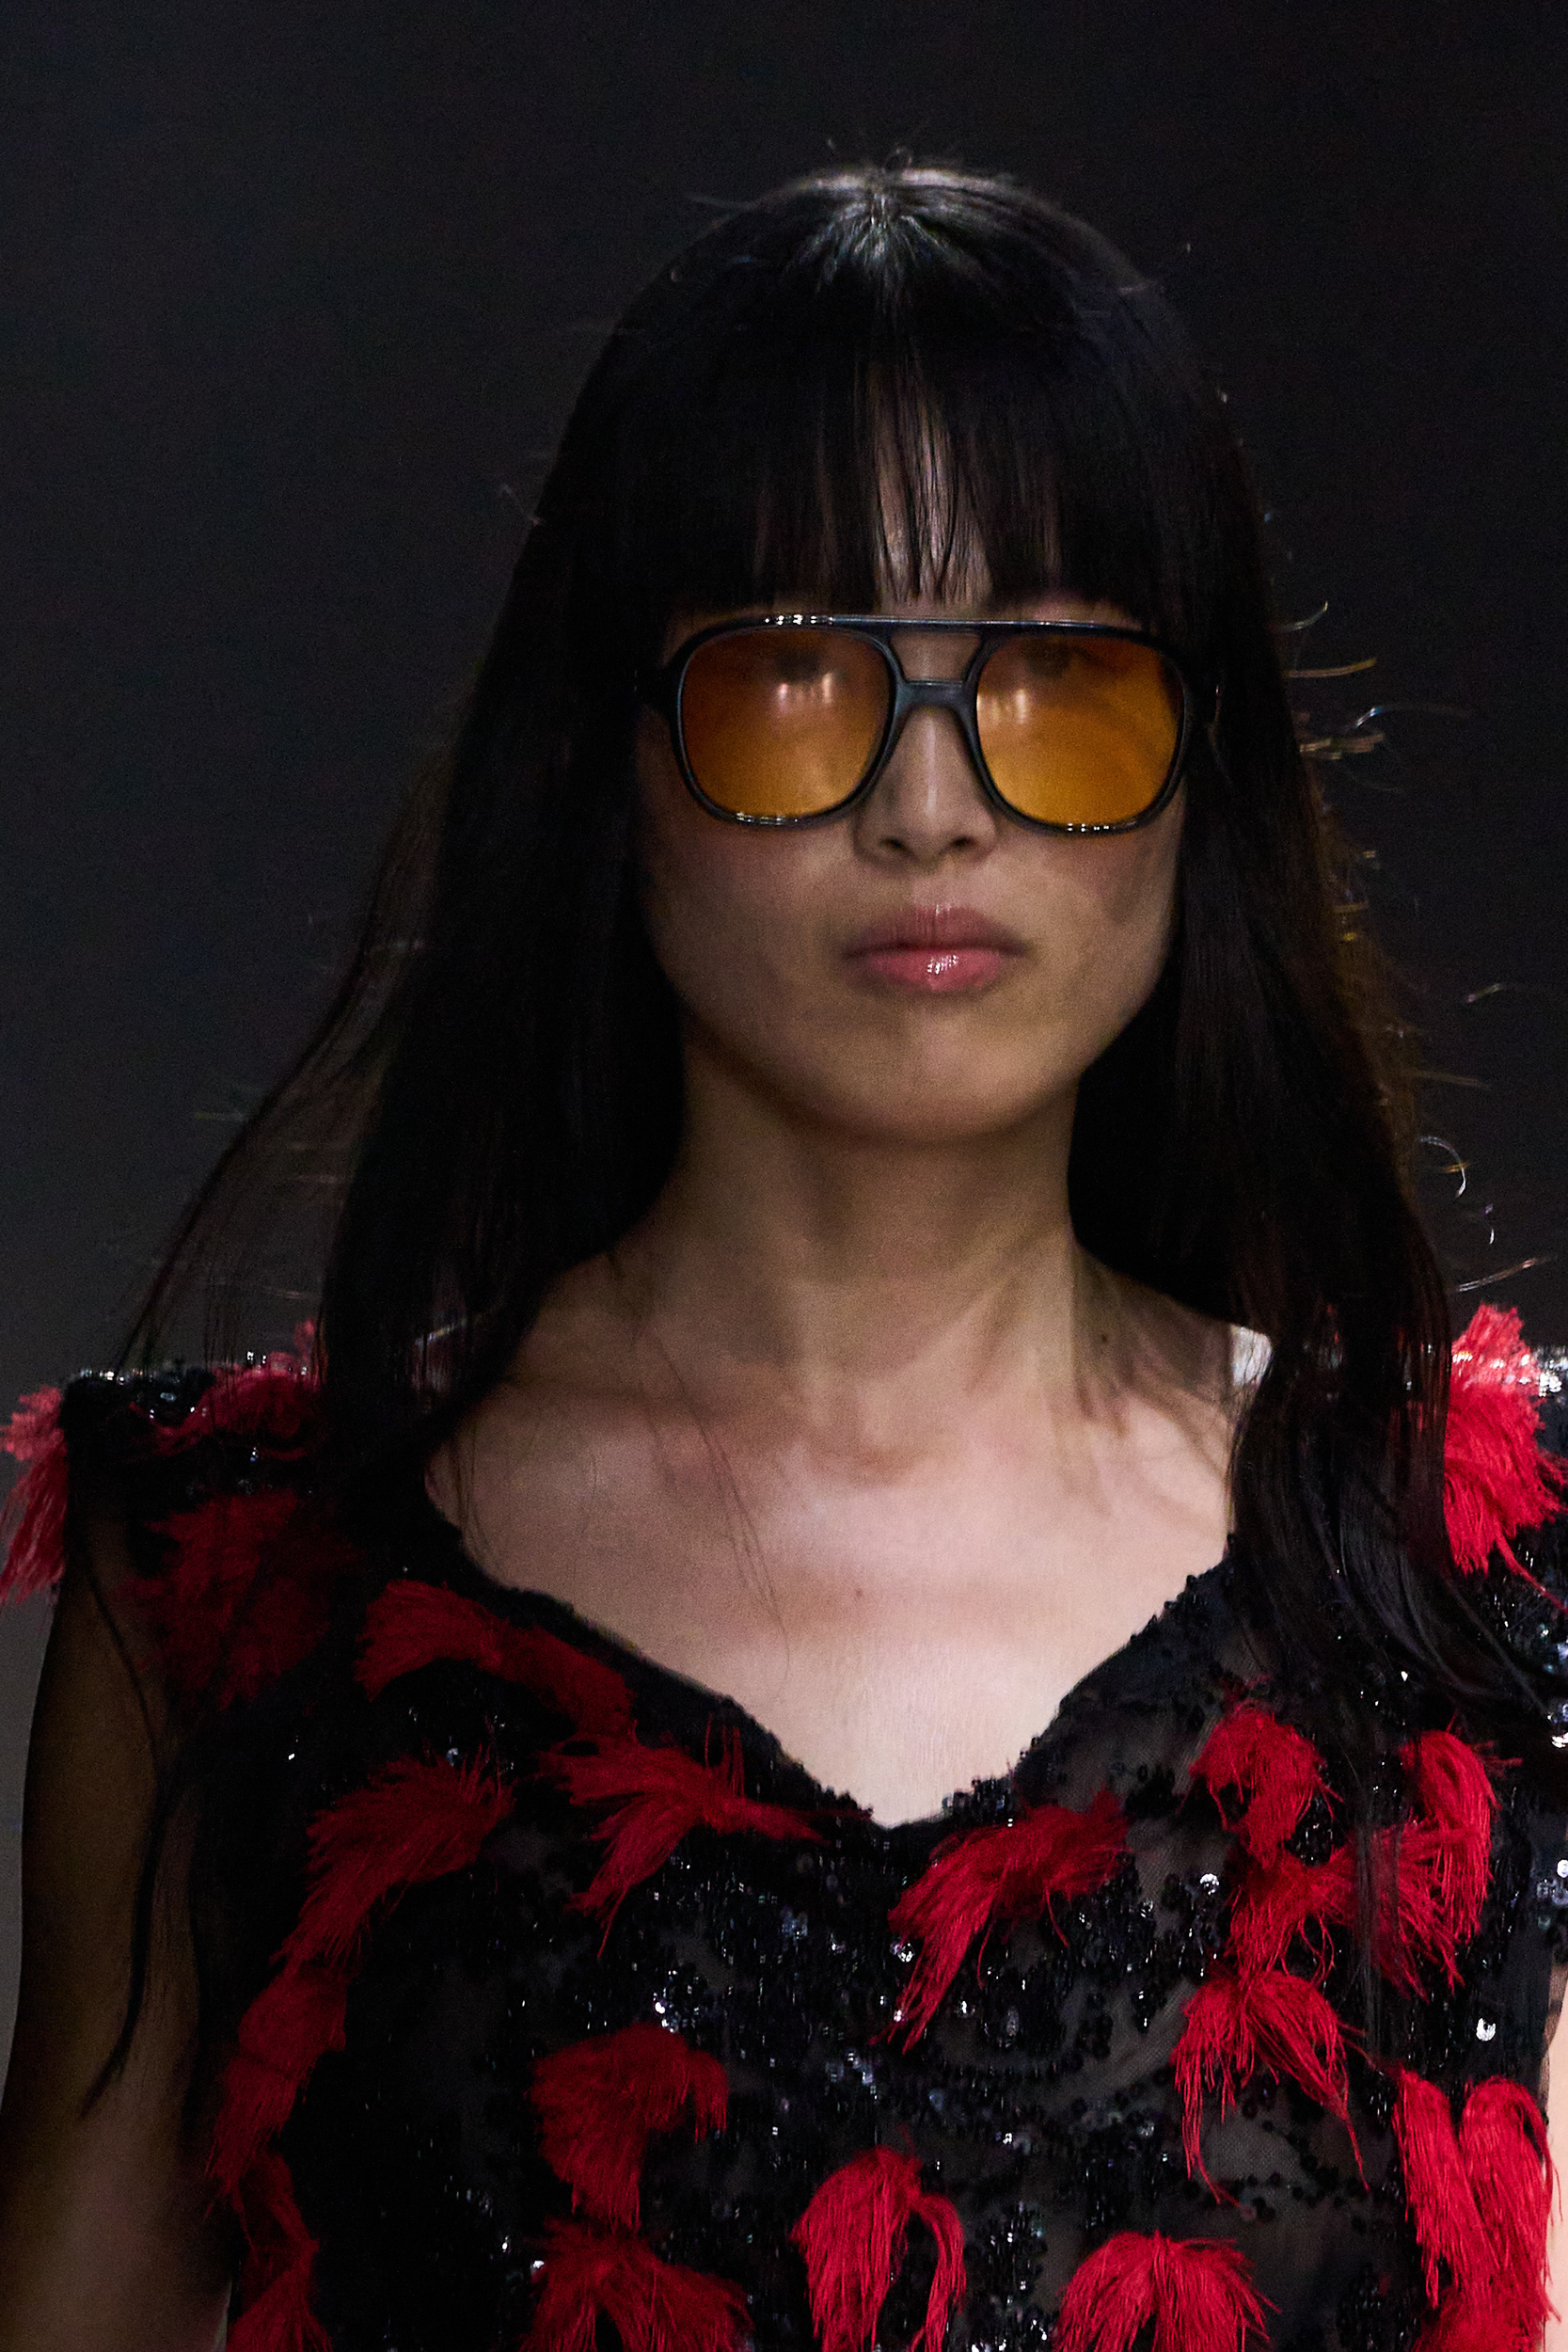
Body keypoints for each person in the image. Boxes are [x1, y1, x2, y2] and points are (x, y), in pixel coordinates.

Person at [0, 163, 1563, 2352]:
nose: (932, 806)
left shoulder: (1490, 1573)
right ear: (606, 761)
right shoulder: (235, 1578)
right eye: (799, 676)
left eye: (1061, 681)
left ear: (1206, 777)